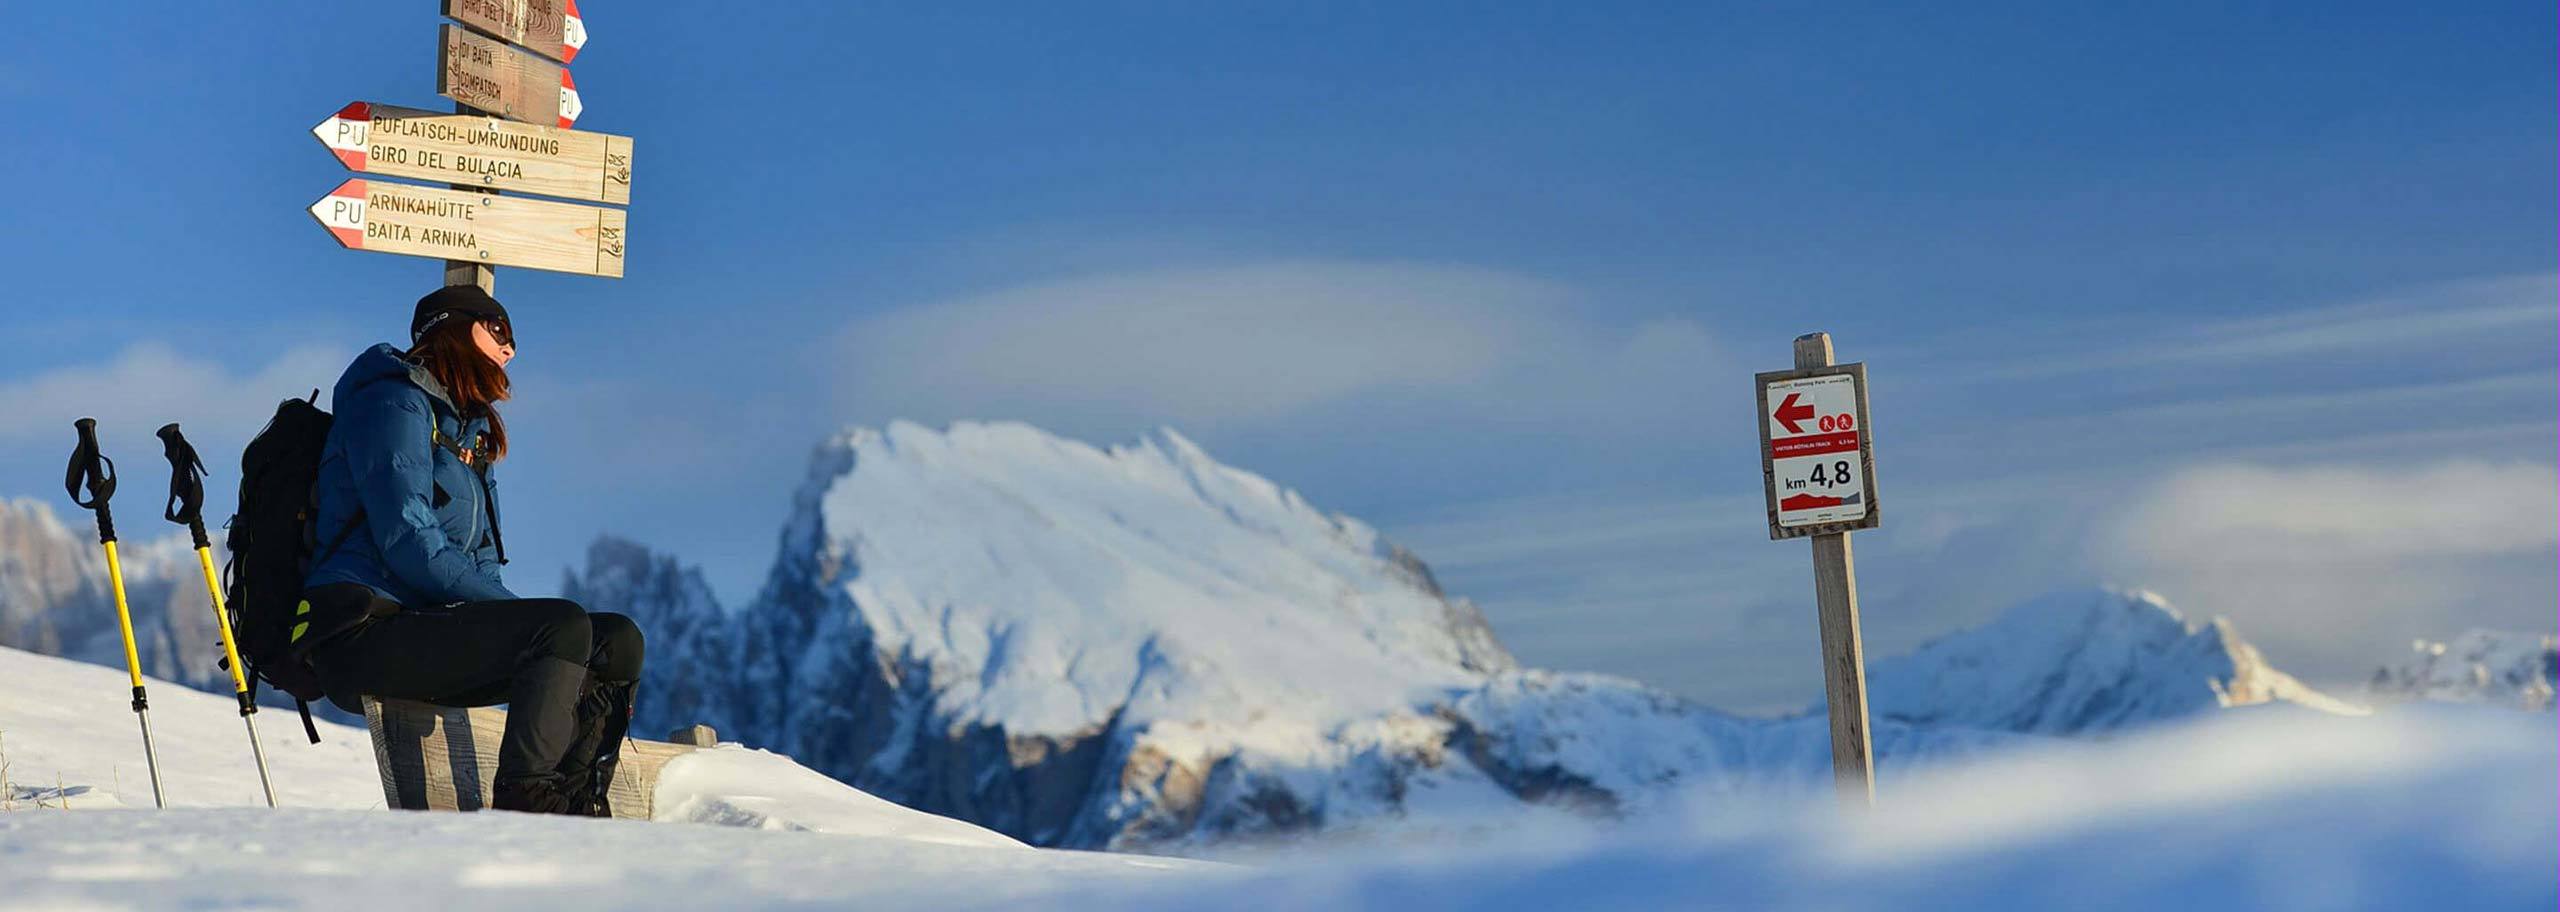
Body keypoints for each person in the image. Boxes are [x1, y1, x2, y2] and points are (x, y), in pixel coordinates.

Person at [298, 284, 643, 815]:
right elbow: (408, 538)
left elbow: (482, 556)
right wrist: (523, 620)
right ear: (453, 328)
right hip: (360, 627)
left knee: (616, 639)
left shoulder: (469, 438)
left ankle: (578, 801)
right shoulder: (391, 401)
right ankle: (527, 800)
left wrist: (526, 624)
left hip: (424, 626)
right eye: (499, 331)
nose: (511, 350)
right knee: (561, 626)